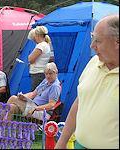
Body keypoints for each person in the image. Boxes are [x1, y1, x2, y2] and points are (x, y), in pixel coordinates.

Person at [55, 14, 119, 149]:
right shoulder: (93, 62)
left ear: (117, 42)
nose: (92, 45)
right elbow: (80, 102)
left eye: (98, 41)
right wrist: (62, 141)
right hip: (80, 145)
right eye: (92, 38)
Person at [28, 26, 51, 91]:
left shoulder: (41, 45)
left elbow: (31, 59)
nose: (34, 39)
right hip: (41, 72)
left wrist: (29, 57)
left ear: (37, 35)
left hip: (38, 74)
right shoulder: (46, 44)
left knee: (35, 94)